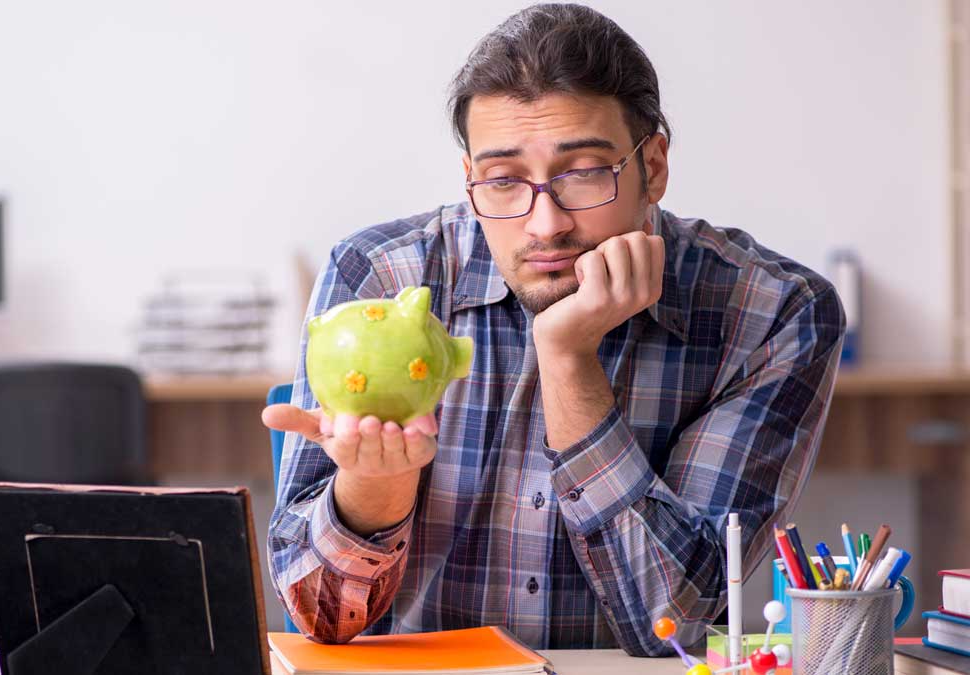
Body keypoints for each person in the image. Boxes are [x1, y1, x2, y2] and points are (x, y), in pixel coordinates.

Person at [262, 3, 845, 656]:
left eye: (584, 172)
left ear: (653, 166)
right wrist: (375, 486)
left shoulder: (771, 312)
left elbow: (672, 623)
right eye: (503, 180)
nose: (545, 224)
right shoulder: (380, 275)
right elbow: (320, 621)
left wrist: (567, 358)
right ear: (470, 178)